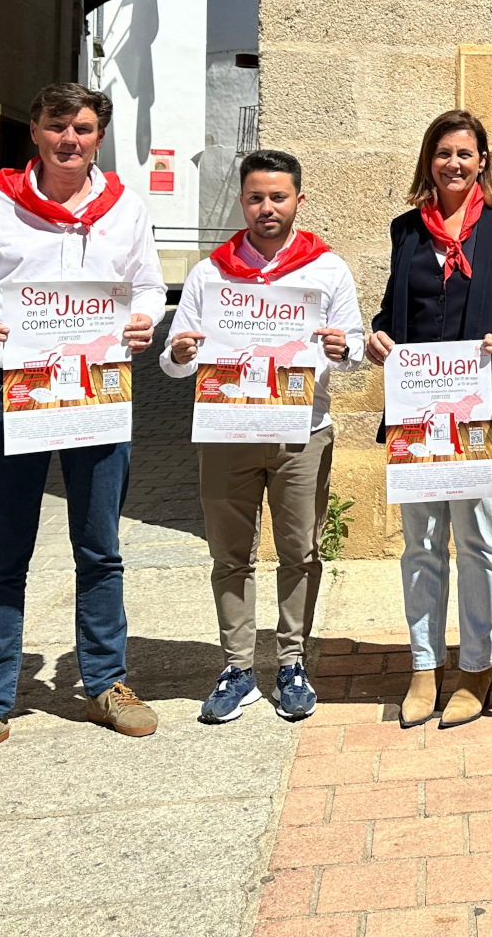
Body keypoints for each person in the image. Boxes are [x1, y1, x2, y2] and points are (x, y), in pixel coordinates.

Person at [0, 82, 167, 778]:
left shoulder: (124, 206)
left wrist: (144, 318)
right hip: (13, 390)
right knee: (4, 553)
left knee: (100, 547)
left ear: (98, 137)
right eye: (57, 126)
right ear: (34, 131)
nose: (70, 139)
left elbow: (149, 285)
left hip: (96, 389)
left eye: (83, 128)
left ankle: (106, 683)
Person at [161, 149, 364, 723]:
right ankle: (238, 667)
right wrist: (181, 353)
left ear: (299, 199)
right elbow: (174, 362)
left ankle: (293, 662)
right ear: (242, 202)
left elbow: (353, 350)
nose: (266, 207)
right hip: (227, 431)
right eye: (255, 198)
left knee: (300, 551)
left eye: (278, 196)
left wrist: (342, 347)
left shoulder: (327, 269)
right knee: (230, 555)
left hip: (302, 432)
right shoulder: (210, 273)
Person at [366, 111, 492, 728]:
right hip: (417, 413)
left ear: (482, 161)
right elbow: (394, 309)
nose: (454, 164)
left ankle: (475, 667)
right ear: (429, 160)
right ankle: (424, 665)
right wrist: (378, 336)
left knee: (477, 541)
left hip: (481, 410)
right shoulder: (406, 229)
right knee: (420, 543)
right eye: (443, 153)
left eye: (465, 154)